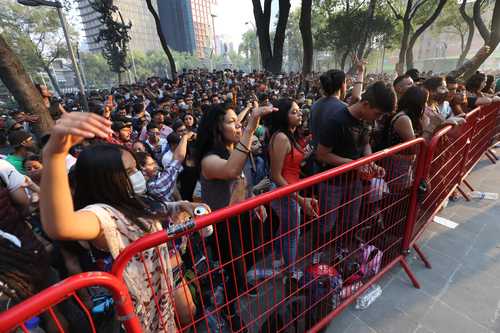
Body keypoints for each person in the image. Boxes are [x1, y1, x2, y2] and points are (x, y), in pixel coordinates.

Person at [39, 112, 203, 331]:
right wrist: (54, 156)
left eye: (136, 168)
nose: (139, 174)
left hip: (162, 303)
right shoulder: (103, 215)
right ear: (106, 180)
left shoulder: (135, 201)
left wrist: (181, 206)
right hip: (139, 316)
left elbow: (153, 212)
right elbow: (60, 225)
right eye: (130, 171)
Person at [196, 102, 273, 331]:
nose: (238, 125)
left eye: (238, 121)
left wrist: (254, 202)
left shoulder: (237, 150)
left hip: (245, 217)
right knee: (236, 271)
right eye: (231, 122)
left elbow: (244, 182)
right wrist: (250, 127)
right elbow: (231, 170)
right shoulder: (209, 159)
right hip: (225, 225)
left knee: (255, 255)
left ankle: (236, 285)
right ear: (215, 128)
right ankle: (229, 310)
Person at [315, 82, 394, 239]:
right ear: (365, 104)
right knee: (327, 223)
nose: (377, 119)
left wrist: (372, 163)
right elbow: (322, 155)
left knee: (350, 220)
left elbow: (365, 145)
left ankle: (341, 249)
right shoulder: (336, 121)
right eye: (377, 114)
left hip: (354, 181)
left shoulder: (366, 119)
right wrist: (354, 165)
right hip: (332, 183)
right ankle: (319, 254)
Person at [268, 98, 318, 283]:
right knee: (292, 234)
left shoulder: (290, 135)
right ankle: (290, 272)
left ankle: (279, 258)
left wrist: (305, 155)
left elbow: (290, 164)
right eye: (294, 112)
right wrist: (299, 199)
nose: (299, 114)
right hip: (285, 194)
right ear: (283, 115)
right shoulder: (281, 137)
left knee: (285, 228)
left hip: (289, 192)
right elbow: (276, 175)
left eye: (299, 111)